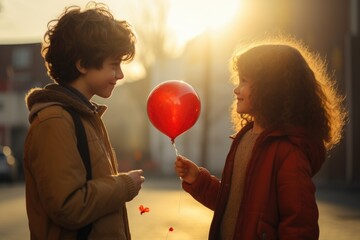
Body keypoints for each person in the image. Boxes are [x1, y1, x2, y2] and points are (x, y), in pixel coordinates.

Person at [174, 38, 346, 239]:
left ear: (270, 88)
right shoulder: (244, 138)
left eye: (245, 81)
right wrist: (198, 180)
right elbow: (234, 204)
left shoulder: (289, 152)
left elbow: (299, 225)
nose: (236, 89)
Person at [24, 2, 144, 239]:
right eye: (114, 65)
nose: (120, 75)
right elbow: (68, 207)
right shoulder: (55, 121)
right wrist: (124, 186)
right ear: (82, 64)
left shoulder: (84, 115)